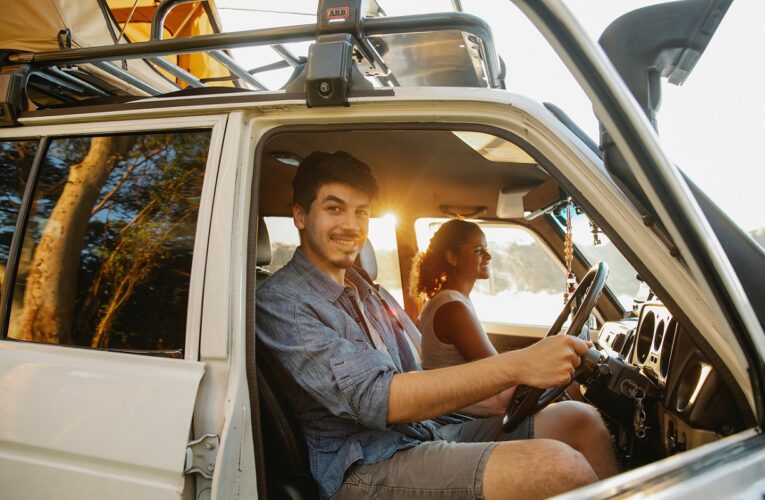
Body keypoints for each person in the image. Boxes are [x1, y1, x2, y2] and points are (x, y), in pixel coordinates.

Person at [256, 151, 618, 500]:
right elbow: (377, 399)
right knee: (558, 468)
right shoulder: (282, 302)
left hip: (418, 432)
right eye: (334, 209)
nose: (351, 225)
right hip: (362, 467)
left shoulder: (363, 288)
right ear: (301, 216)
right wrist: (518, 365)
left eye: (361, 212)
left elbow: (414, 373)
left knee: (579, 420)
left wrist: (497, 397)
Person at [410, 219, 497, 370]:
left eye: (486, 248)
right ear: (452, 258)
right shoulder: (453, 308)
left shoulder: (449, 299)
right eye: (478, 250)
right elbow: (497, 369)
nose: (488, 256)